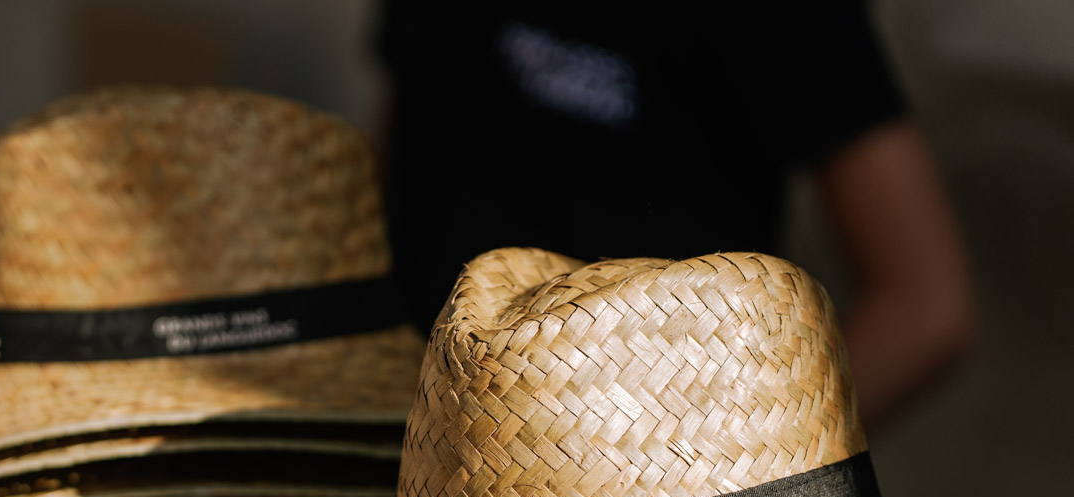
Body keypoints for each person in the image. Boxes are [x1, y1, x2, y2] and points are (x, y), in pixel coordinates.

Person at [377, 1, 974, 427]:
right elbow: (403, 140)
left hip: (628, 494)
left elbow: (923, 306)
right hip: (404, 455)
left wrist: (718, 482)